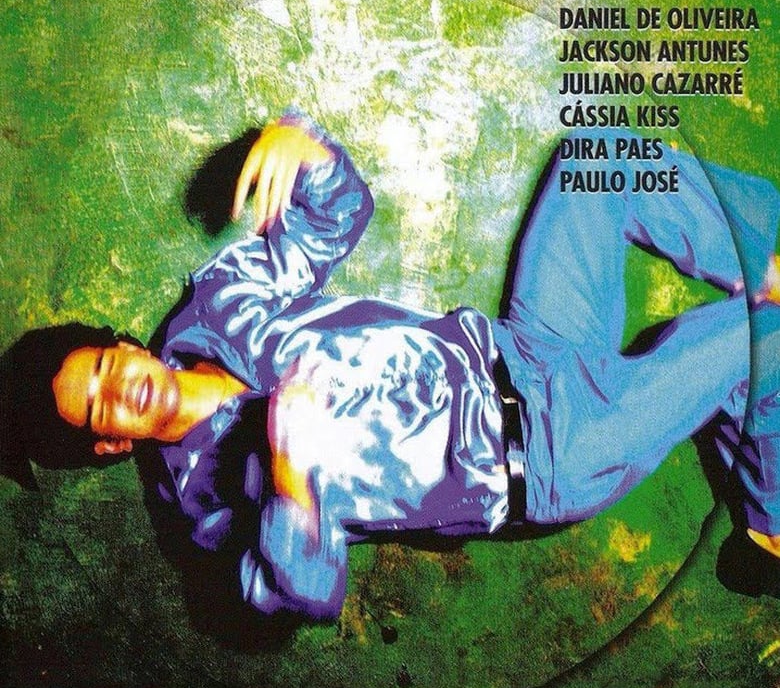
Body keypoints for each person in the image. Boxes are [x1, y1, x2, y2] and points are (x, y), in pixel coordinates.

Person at [2, 111, 779, 619]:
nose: (120, 388)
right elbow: (301, 595)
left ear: (123, 346)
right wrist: (292, 485)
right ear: (110, 442)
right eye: (99, 407)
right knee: (761, 338)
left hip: (525, 346)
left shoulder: (219, 304)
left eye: (103, 366)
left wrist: (302, 148)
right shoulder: (201, 506)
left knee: (596, 160)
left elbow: (338, 216)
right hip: (547, 456)